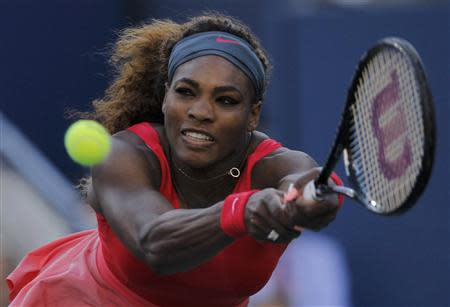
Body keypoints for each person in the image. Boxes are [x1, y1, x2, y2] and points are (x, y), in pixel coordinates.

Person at [7, 13, 343, 307]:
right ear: (166, 96)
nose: (200, 112)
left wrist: (317, 197)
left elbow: (307, 180)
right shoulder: (124, 154)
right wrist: (241, 211)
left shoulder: (275, 165)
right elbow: (154, 242)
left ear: (252, 115)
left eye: (225, 100)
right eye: (186, 92)